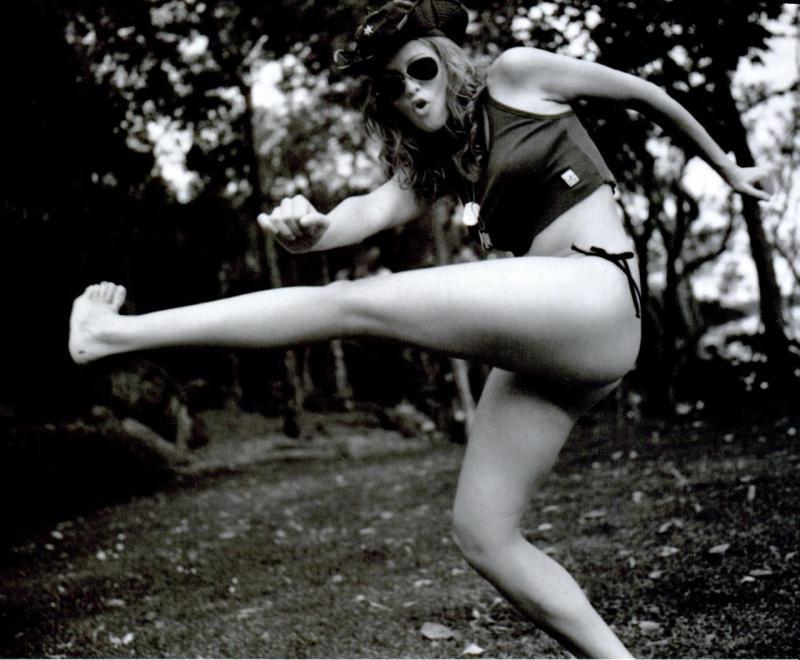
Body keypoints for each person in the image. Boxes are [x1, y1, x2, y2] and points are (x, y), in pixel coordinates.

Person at [69, 1, 772, 656]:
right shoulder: (436, 167)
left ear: (448, 59)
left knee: (350, 303)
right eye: (392, 85)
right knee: (484, 534)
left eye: (421, 68)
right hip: (565, 342)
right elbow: (361, 212)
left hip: (597, 289)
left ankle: (115, 335)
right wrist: (311, 229)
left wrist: (724, 166)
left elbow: (643, 93)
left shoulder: (518, 75)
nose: (410, 89)